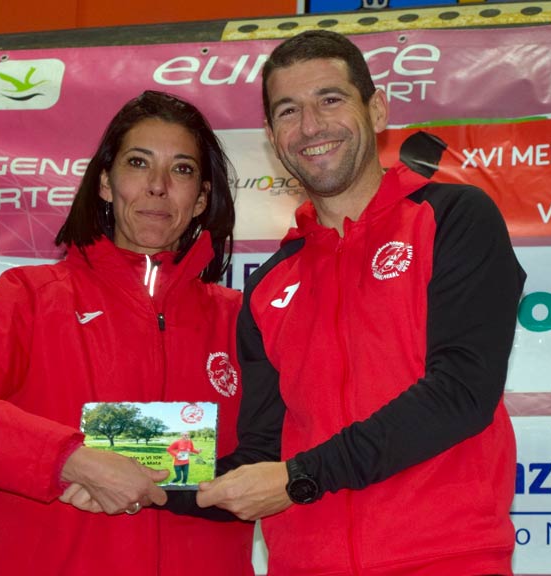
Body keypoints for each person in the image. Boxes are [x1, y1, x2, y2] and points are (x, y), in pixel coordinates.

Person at [197, 30, 526, 575]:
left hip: (446, 559)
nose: (310, 127)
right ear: (272, 138)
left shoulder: (454, 216)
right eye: (287, 111)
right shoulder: (269, 284)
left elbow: (462, 391)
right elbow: (261, 450)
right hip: (304, 563)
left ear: (376, 110)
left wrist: (302, 476)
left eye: (330, 100)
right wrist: (139, 479)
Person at [0, 91, 253, 575]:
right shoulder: (29, 297)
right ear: (105, 183)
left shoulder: (242, 320)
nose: (158, 186)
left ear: (202, 201)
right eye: (137, 163)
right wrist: (68, 459)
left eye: (183, 170)